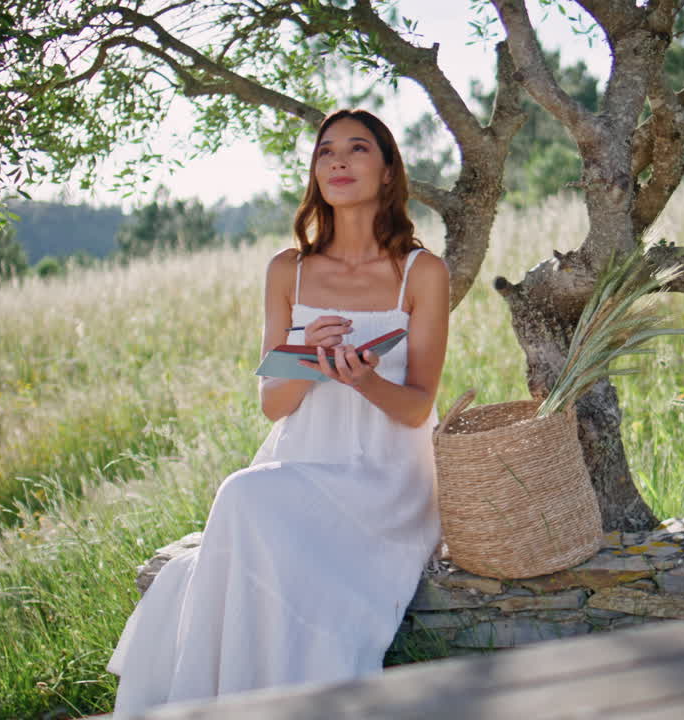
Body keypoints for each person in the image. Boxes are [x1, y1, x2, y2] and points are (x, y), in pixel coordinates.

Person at [105, 108, 449, 716]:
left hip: (387, 479)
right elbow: (273, 404)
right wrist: (306, 354)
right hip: (304, 458)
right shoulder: (287, 270)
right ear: (315, 172)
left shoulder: (422, 273)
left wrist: (364, 381)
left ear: (389, 171)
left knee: (245, 503)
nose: (338, 161)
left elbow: (419, 407)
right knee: (245, 498)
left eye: (358, 149)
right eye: (326, 152)